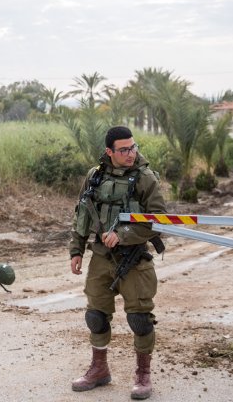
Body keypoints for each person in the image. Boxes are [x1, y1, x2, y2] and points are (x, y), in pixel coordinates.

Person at [69, 126, 167, 400]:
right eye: (123, 149)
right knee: (96, 315)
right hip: (101, 257)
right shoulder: (95, 175)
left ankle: (142, 375)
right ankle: (99, 369)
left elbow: (158, 218)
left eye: (133, 147)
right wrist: (75, 250)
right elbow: (82, 214)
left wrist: (123, 234)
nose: (131, 153)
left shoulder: (145, 177)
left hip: (134, 259)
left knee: (139, 319)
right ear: (109, 151)